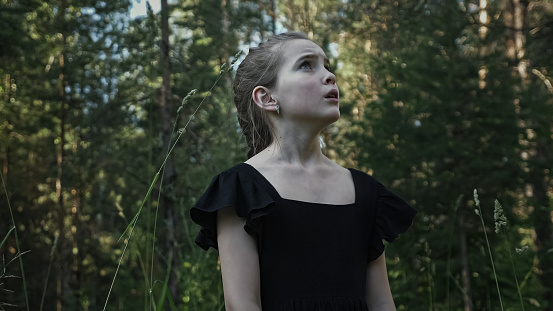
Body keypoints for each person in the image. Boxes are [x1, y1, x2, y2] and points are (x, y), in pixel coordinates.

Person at [190, 32, 417, 311]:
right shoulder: (241, 189)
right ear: (267, 98)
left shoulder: (366, 192)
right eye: (307, 65)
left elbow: (382, 303)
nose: (329, 75)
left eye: (327, 65)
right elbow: (242, 305)